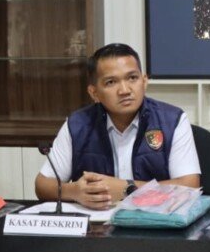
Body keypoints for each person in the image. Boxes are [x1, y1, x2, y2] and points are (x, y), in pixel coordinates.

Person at [35, 43, 201, 210]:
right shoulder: (78, 125)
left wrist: (126, 188)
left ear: (144, 81)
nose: (124, 90)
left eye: (132, 78)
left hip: (155, 221)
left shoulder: (172, 120)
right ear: (94, 93)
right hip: (97, 224)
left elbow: (189, 185)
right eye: (111, 82)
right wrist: (74, 192)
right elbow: (42, 185)